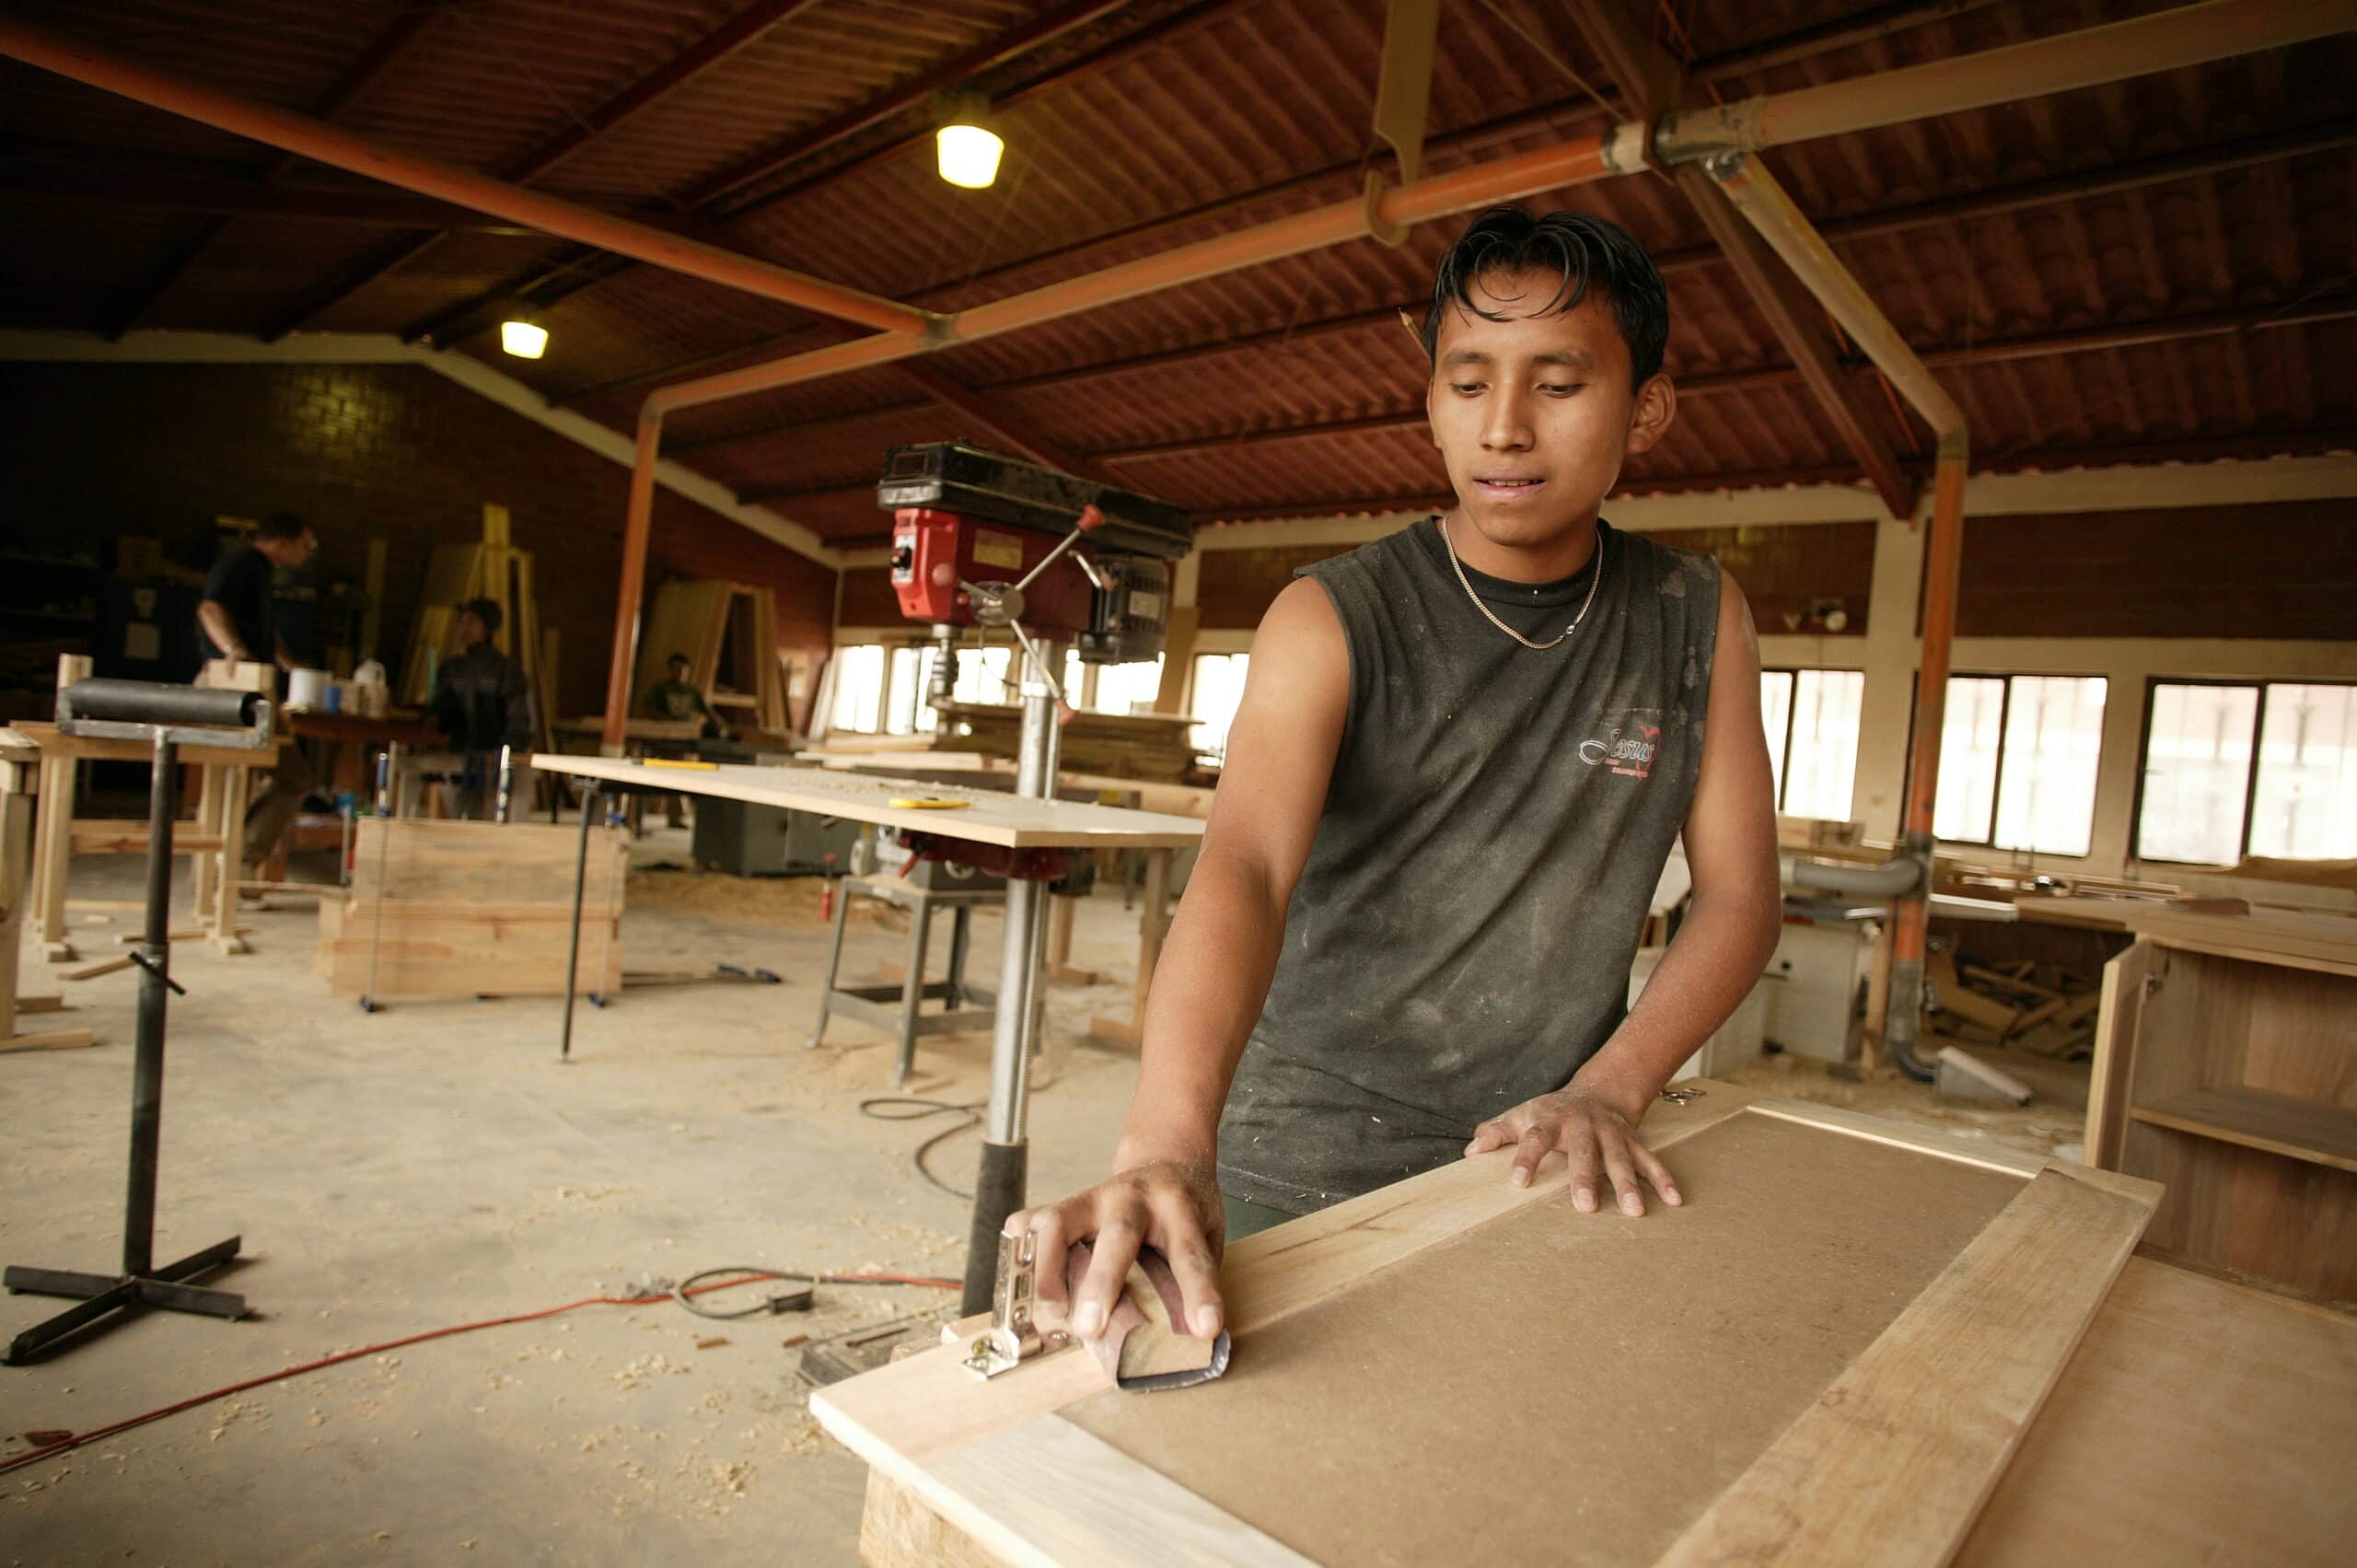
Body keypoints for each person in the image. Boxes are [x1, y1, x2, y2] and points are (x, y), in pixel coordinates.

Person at [1006, 207, 1783, 1347]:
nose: (1504, 428)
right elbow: (1248, 867)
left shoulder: (1696, 616)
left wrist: (1611, 1087)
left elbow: (1738, 895)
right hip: (1303, 1148)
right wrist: (1166, 1144)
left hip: (1541, 1152)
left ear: (1647, 407)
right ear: (1430, 400)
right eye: (1468, 384)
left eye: (1557, 385)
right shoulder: (1331, 615)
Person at [195, 512, 318, 876]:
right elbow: (209, 608)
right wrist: (233, 648)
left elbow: (262, 627)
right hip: (235, 687)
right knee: (283, 776)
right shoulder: (242, 564)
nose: (308, 554)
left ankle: (227, 864)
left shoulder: (260, 572)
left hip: (253, 686)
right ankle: (235, 866)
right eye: (305, 546)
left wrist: (287, 664)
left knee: (269, 776)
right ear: (283, 542)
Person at [429, 598, 536, 819]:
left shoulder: (506, 670)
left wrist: (504, 756)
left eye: (471, 622)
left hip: (495, 762)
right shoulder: (452, 670)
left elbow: (519, 720)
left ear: (488, 629)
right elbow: (442, 718)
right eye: (462, 621)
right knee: (462, 816)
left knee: (492, 820)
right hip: (460, 760)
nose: (464, 628)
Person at [642, 653, 730, 738]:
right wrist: (663, 719)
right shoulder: (660, 688)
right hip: (664, 730)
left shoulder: (693, 691)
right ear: (671, 670)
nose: (681, 673)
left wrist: (720, 723)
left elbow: (708, 711)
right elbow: (648, 707)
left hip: (685, 731)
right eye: (677, 669)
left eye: (684, 669)